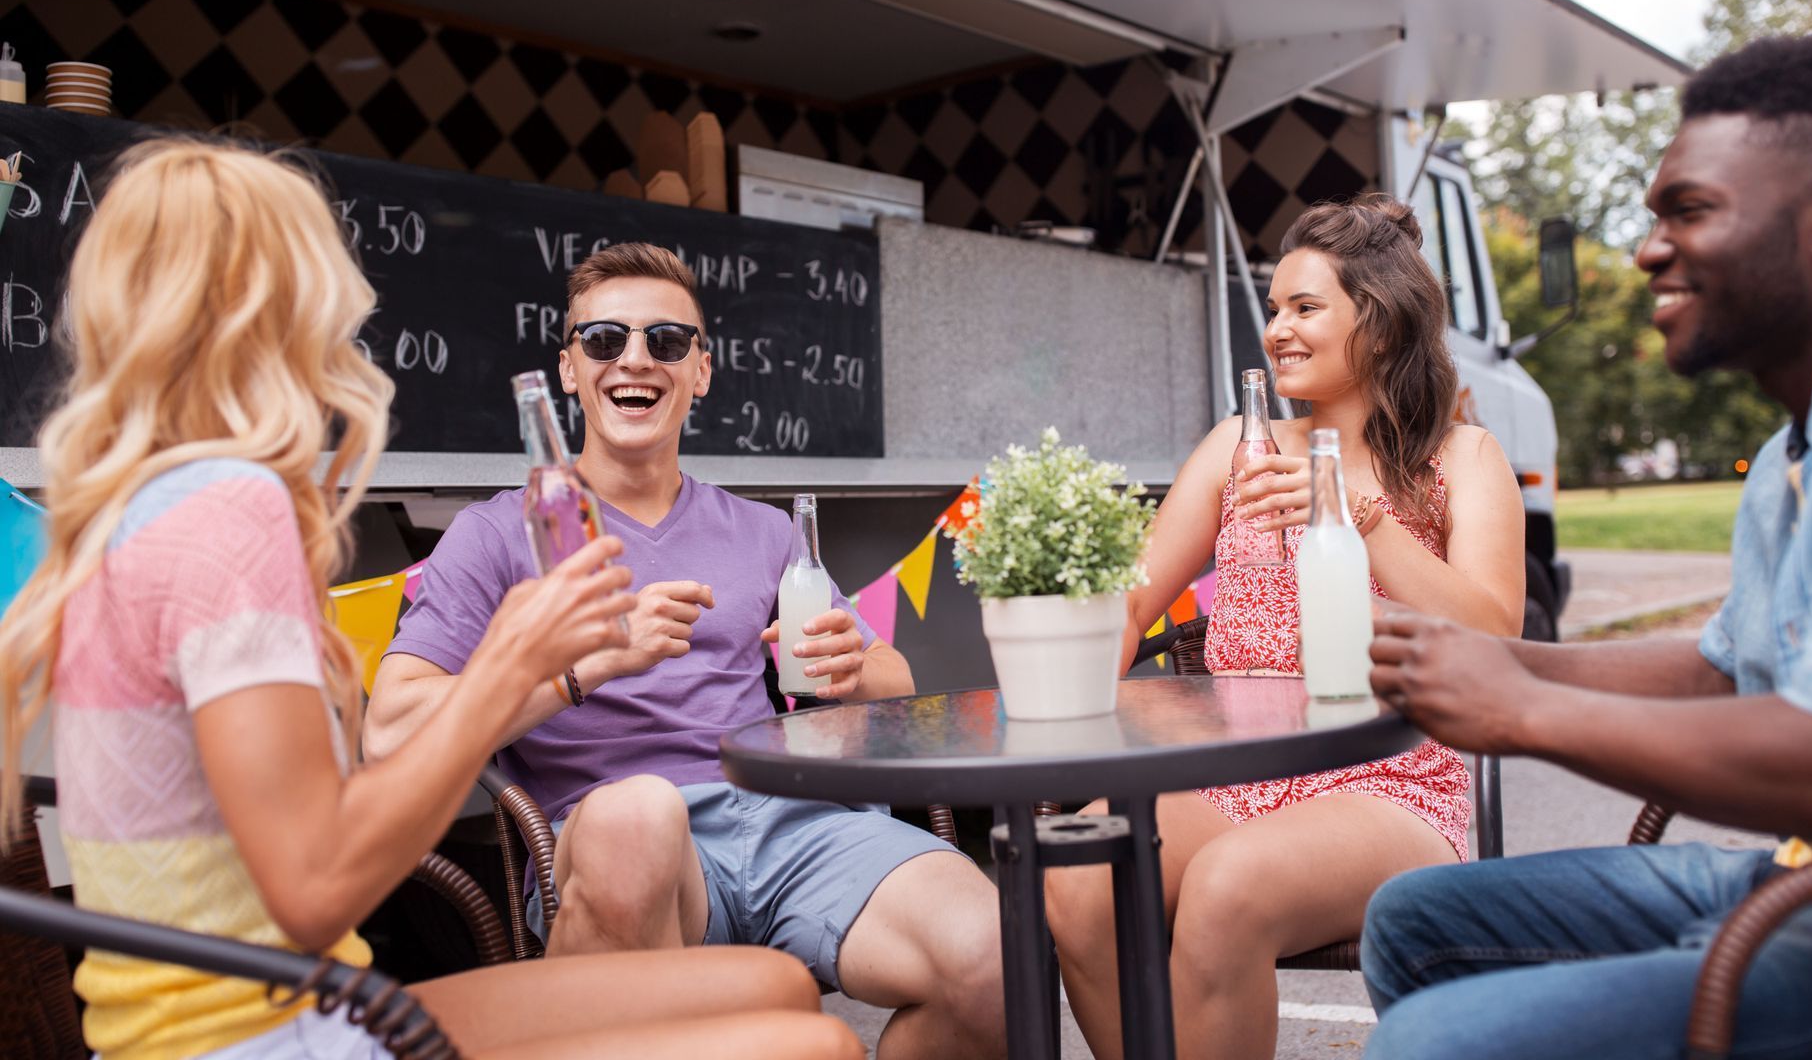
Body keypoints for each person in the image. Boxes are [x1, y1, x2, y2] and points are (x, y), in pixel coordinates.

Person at [0, 139, 862, 1060]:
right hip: (265, 1037)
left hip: (264, 1003)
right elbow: (318, 884)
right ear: (273, 311)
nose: (351, 320)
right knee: (821, 1046)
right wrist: (520, 664)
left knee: (772, 982)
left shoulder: (139, 507)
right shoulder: (231, 520)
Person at [1361, 33, 1812, 1060]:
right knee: (1414, 922)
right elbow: (1723, 672)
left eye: (1689, 211)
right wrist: (1496, 660)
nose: (1647, 250)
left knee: (1435, 1042)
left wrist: (1522, 707)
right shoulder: (1792, 445)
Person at [366, 242, 1005, 1059]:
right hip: (621, 840)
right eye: (603, 341)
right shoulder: (495, 534)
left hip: (795, 824)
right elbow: (387, 731)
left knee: (995, 956)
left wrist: (851, 670)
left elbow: (896, 684)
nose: (635, 359)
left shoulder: (767, 532)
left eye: (667, 341)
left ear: (701, 371)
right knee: (641, 812)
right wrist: (580, 668)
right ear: (568, 369)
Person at [1044, 196, 1527, 1059]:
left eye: (1306, 308)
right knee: (1080, 877)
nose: (1277, 329)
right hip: (1238, 773)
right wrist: (1061, 669)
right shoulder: (1240, 446)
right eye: (1274, 309)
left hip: (1392, 782)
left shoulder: (1461, 457)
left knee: (1229, 888)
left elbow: (1497, 631)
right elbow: (1124, 605)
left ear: (1379, 323)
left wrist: (1358, 514)